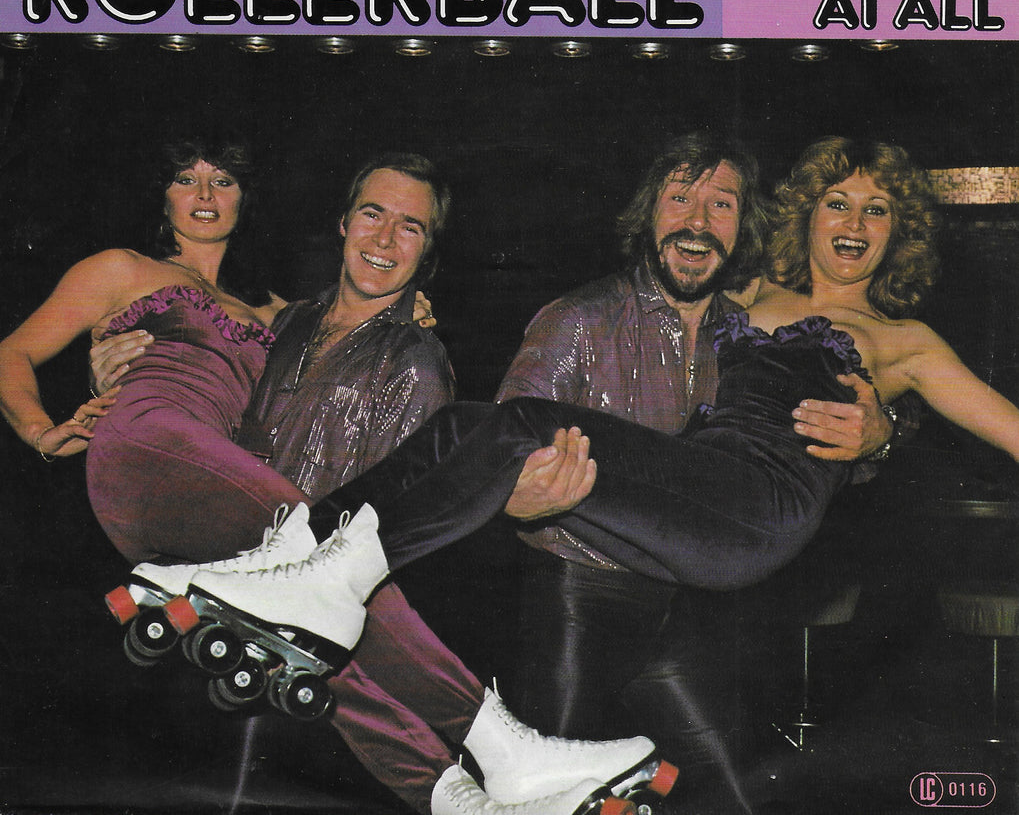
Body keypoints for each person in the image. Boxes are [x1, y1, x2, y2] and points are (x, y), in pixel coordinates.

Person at [169, 137, 1019, 765]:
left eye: (877, 210)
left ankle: (315, 575)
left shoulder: (907, 341)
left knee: (516, 424)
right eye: (838, 202)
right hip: (676, 521)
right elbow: (675, 262)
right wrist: (398, 302)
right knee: (475, 425)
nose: (854, 223)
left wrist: (885, 429)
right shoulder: (746, 290)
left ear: (899, 234)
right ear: (805, 215)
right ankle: (296, 557)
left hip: (753, 512)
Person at [5, 141, 668, 815]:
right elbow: (13, 352)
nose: (204, 197)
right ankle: (508, 748)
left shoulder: (280, 316)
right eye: (185, 179)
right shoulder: (123, 268)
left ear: (245, 195)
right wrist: (43, 427)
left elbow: (345, 339)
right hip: (151, 444)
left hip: (215, 501)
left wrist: (406, 314)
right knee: (324, 563)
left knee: (313, 626)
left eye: (223, 180)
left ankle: (459, 799)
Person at [493, 134, 896, 768]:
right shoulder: (581, 319)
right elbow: (496, 449)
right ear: (649, 212)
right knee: (552, 788)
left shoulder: (743, 331)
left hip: (688, 609)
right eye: (680, 198)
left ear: (743, 227)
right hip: (581, 600)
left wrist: (880, 436)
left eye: (722, 205)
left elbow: (811, 441)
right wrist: (516, 498)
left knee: (727, 791)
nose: (699, 222)